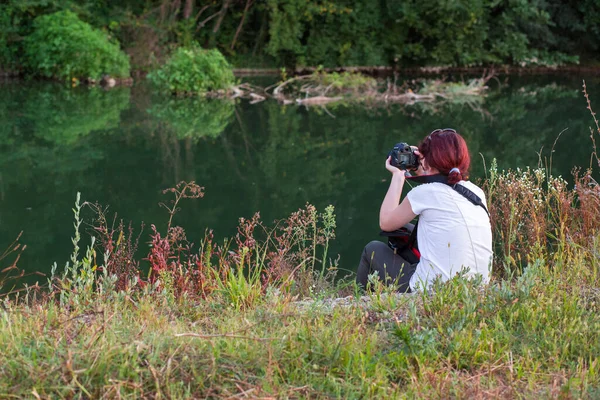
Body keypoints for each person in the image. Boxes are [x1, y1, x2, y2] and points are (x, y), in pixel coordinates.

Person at [356, 128, 493, 292]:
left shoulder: (424, 193)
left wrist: (398, 175)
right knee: (404, 231)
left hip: (436, 291)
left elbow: (385, 222)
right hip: (479, 287)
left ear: (429, 160)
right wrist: (425, 167)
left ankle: (359, 303)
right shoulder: (477, 192)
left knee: (372, 249)